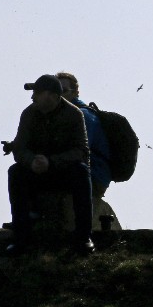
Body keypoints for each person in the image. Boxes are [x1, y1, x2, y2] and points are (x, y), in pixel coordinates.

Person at [6, 74, 94, 255]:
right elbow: (19, 148)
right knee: (15, 172)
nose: (33, 97)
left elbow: (81, 151)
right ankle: (21, 239)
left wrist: (52, 162)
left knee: (81, 172)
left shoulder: (74, 115)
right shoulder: (29, 114)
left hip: (62, 172)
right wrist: (31, 161)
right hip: (36, 172)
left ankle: (83, 238)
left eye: (37, 93)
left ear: (53, 96)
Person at [56, 71, 121, 230]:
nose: (59, 96)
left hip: (94, 175)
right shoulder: (60, 116)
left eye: (63, 91)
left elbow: (79, 151)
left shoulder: (84, 116)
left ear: (75, 92)